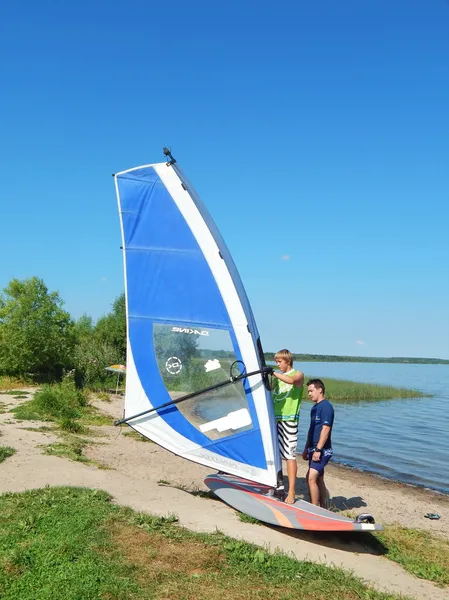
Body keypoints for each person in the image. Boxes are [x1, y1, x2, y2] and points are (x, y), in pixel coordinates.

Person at [271, 349, 304, 504]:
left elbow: (291, 381)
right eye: (276, 362)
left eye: (279, 362)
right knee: (273, 453)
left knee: (289, 456)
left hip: (289, 419)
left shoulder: (297, 374)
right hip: (275, 418)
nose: (277, 364)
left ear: (287, 361)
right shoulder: (276, 377)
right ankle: (276, 485)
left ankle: (291, 492)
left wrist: (272, 373)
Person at [302, 378, 334, 507]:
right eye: (308, 391)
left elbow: (326, 429)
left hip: (322, 450)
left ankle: (314, 507)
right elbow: (312, 429)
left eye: (311, 391)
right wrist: (306, 448)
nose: (309, 394)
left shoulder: (326, 407)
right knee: (318, 479)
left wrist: (318, 450)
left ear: (320, 390)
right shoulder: (315, 408)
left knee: (311, 478)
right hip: (313, 448)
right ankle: (324, 506)